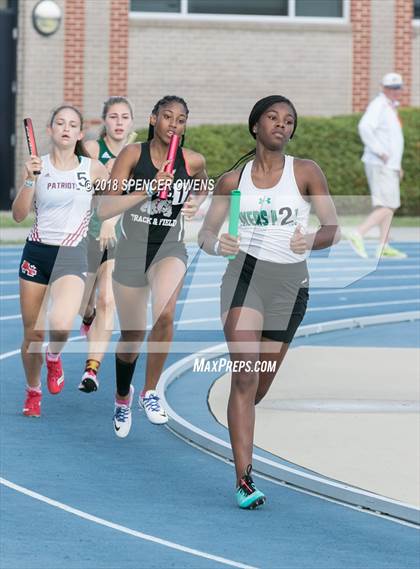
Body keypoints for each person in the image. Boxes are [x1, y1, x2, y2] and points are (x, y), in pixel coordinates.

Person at [198, 95, 340, 509]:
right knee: (244, 376)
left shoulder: (306, 172)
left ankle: (240, 410)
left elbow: (333, 227)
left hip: (290, 285)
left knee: (257, 386)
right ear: (255, 126)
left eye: (289, 120)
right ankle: (244, 480)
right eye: (273, 118)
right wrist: (216, 242)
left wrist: (311, 239)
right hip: (245, 276)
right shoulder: (232, 181)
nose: (282, 124)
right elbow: (205, 235)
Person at [98, 95, 208, 437]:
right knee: (133, 334)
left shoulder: (191, 160)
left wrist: (196, 202)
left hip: (169, 248)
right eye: (167, 117)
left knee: (164, 315)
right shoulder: (133, 155)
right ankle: (122, 397)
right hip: (132, 249)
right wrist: (147, 188)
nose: (173, 124)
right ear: (153, 119)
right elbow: (105, 208)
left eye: (180, 119)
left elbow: (204, 184)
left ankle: (150, 392)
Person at [12, 105, 108, 417]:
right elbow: (18, 216)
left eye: (72, 125)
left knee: (61, 325)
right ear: (51, 130)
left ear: (80, 133)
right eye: (59, 123)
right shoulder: (38, 166)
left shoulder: (91, 168)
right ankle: (33, 391)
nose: (65, 128)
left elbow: (113, 198)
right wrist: (30, 179)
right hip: (37, 252)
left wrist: (107, 221)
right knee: (33, 333)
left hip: (71, 254)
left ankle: (54, 357)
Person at [78, 96, 134, 393]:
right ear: (104, 121)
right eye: (113, 117)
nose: (119, 122)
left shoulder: (136, 154)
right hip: (85, 233)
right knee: (83, 305)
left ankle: (91, 370)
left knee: (107, 301)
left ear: (131, 123)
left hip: (118, 236)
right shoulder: (90, 150)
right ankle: (87, 318)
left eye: (124, 117)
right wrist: (105, 174)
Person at [347, 73, 406, 259]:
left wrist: (397, 165)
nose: (395, 91)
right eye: (391, 87)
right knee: (389, 205)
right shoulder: (379, 105)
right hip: (380, 164)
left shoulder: (390, 107)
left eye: (398, 88)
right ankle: (358, 233)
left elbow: (392, 140)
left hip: (389, 165)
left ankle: (383, 245)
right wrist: (380, 151)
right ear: (383, 87)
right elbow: (365, 127)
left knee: (386, 205)